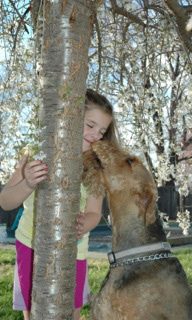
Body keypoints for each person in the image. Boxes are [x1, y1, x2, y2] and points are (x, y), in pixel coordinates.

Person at [0, 88, 119, 320]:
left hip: (74, 252)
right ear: (70, 116)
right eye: (90, 125)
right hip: (31, 245)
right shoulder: (37, 151)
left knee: (70, 312)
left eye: (102, 131)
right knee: (36, 311)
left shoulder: (95, 167)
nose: (96, 134)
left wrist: (86, 223)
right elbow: (5, 201)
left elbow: (94, 212)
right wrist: (27, 183)